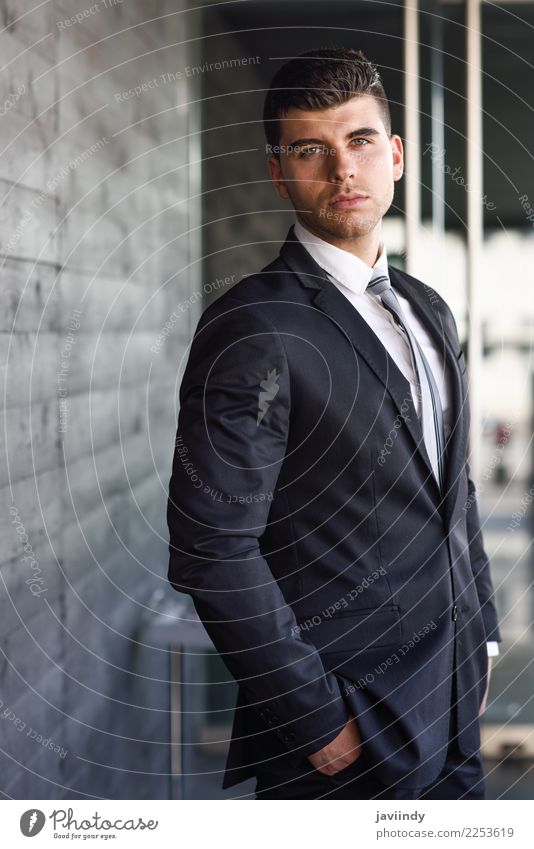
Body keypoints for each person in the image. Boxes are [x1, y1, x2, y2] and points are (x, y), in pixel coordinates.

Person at [166, 47, 501, 800]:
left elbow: (454, 487)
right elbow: (210, 546)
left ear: (397, 156)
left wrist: (480, 635)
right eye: (311, 150)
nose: (342, 170)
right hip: (346, 734)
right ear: (280, 172)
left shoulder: (428, 306)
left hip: (450, 709)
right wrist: (314, 719)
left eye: (358, 142)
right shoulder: (254, 326)